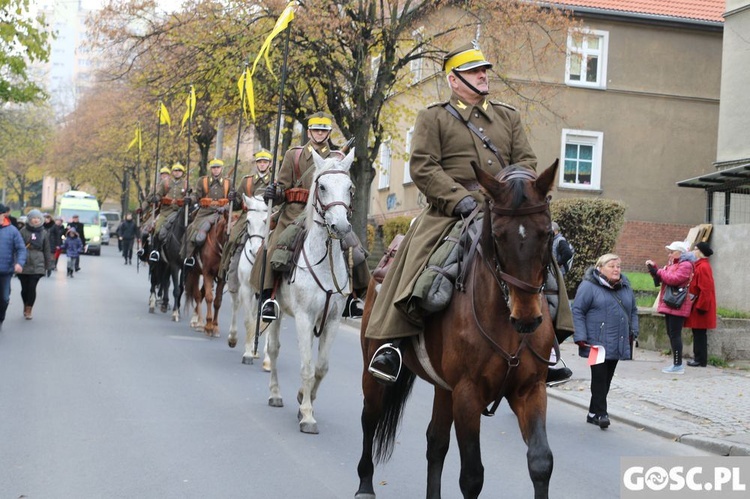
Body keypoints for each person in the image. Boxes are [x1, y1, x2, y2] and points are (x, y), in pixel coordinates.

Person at [365, 41, 574, 384]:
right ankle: (392, 343)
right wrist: (460, 199)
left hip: (505, 208)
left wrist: (513, 193)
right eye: (475, 71)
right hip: (451, 211)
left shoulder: (508, 116)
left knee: (543, 254)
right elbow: (423, 166)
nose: (483, 76)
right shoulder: (433, 117)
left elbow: (526, 161)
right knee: (416, 260)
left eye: (484, 70)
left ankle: (549, 347)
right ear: (453, 80)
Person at [250, 112, 369, 321]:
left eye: (323, 130)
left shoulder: (337, 158)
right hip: (295, 213)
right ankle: (267, 298)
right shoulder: (293, 155)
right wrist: (274, 193)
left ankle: (353, 297)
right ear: (309, 132)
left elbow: (346, 188)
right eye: (316, 129)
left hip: (326, 215)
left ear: (329, 132)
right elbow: (282, 186)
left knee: (354, 249)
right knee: (272, 246)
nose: (320, 133)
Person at [572, 254, 638, 429]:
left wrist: (634, 330)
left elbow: (633, 311)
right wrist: (580, 336)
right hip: (596, 343)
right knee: (599, 378)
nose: (616, 269)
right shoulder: (588, 286)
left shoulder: (625, 287)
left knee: (606, 379)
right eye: (612, 266)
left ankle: (593, 412)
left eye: (618, 266)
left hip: (618, 340)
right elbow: (577, 311)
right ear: (600, 268)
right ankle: (602, 413)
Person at [220, 149, 274, 288]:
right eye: (260, 162)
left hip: (267, 216)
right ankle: (227, 268)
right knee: (233, 238)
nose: (262, 165)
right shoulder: (247, 181)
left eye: (265, 162)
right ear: (256, 164)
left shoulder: (275, 180)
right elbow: (238, 203)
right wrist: (233, 198)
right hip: (248, 215)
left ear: (270, 163)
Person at [646, 241, 696, 374]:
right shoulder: (674, 264)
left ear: (680, 252)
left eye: (672, 251)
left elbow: (674, 279)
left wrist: (659, 271)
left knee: (675, 335)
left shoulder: (686, 265)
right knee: (672, 334)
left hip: (678, 304)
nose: (670, 254)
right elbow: (663, 278)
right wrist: (654, 270)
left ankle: (678, 365)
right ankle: (676, 364)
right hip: (671, 303)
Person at [182, 158, 231, 267]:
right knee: (193, 231)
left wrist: (226, 207)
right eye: (214, 168)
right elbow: (197, 195)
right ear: (210, 169)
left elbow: (234, 201)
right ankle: (189, 257)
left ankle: (230, 262)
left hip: (223, 214)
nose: (216, 170)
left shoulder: (228, 182)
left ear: (221, 168)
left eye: (218, 168)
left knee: (230, 233)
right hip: (205, 212)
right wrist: (190, 199)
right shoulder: (203, 181)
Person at [684, 242, 717, 367]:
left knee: (699, 334)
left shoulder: (703, 267)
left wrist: (701, 307)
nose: (693, 251)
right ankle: (698, 358)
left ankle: (700, 359)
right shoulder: (700, 266)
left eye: (696, 249)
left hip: (701, 306)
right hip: (699, 304)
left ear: (700, 252)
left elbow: (705, 289)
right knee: (697, 333)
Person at [148, 162, 188, 261]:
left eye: (179, 171)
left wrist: (189, 199)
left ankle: (189, 255)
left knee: (189, 230)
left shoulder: (186, 184)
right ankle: (156, 252)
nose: (177, 172)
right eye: (175, 170)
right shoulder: (165, 182)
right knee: (157, 229)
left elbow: (192, 195)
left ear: (182, 173)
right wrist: (155, 198)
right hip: (166, 212)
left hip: (180, 213)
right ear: (172, 172)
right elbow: (159, 194)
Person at [18, 210, 53, 320]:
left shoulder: (44, 232)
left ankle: (29, 309)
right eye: (34, 218)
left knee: (32, 287)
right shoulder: (23, 231)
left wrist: (48, 265)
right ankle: (25, 304)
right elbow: (17, 247)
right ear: (30, 219)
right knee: (24, 289)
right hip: (24, 261)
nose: (36, 219)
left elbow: (47, 249)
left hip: (38, 263)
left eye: (38, 218)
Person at [0, 203, 27, 331]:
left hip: (5, 271)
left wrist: (19, 263)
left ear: (3, 215)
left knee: (4, 299)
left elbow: (21, 249)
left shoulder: (12, 230)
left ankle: (0, 318)